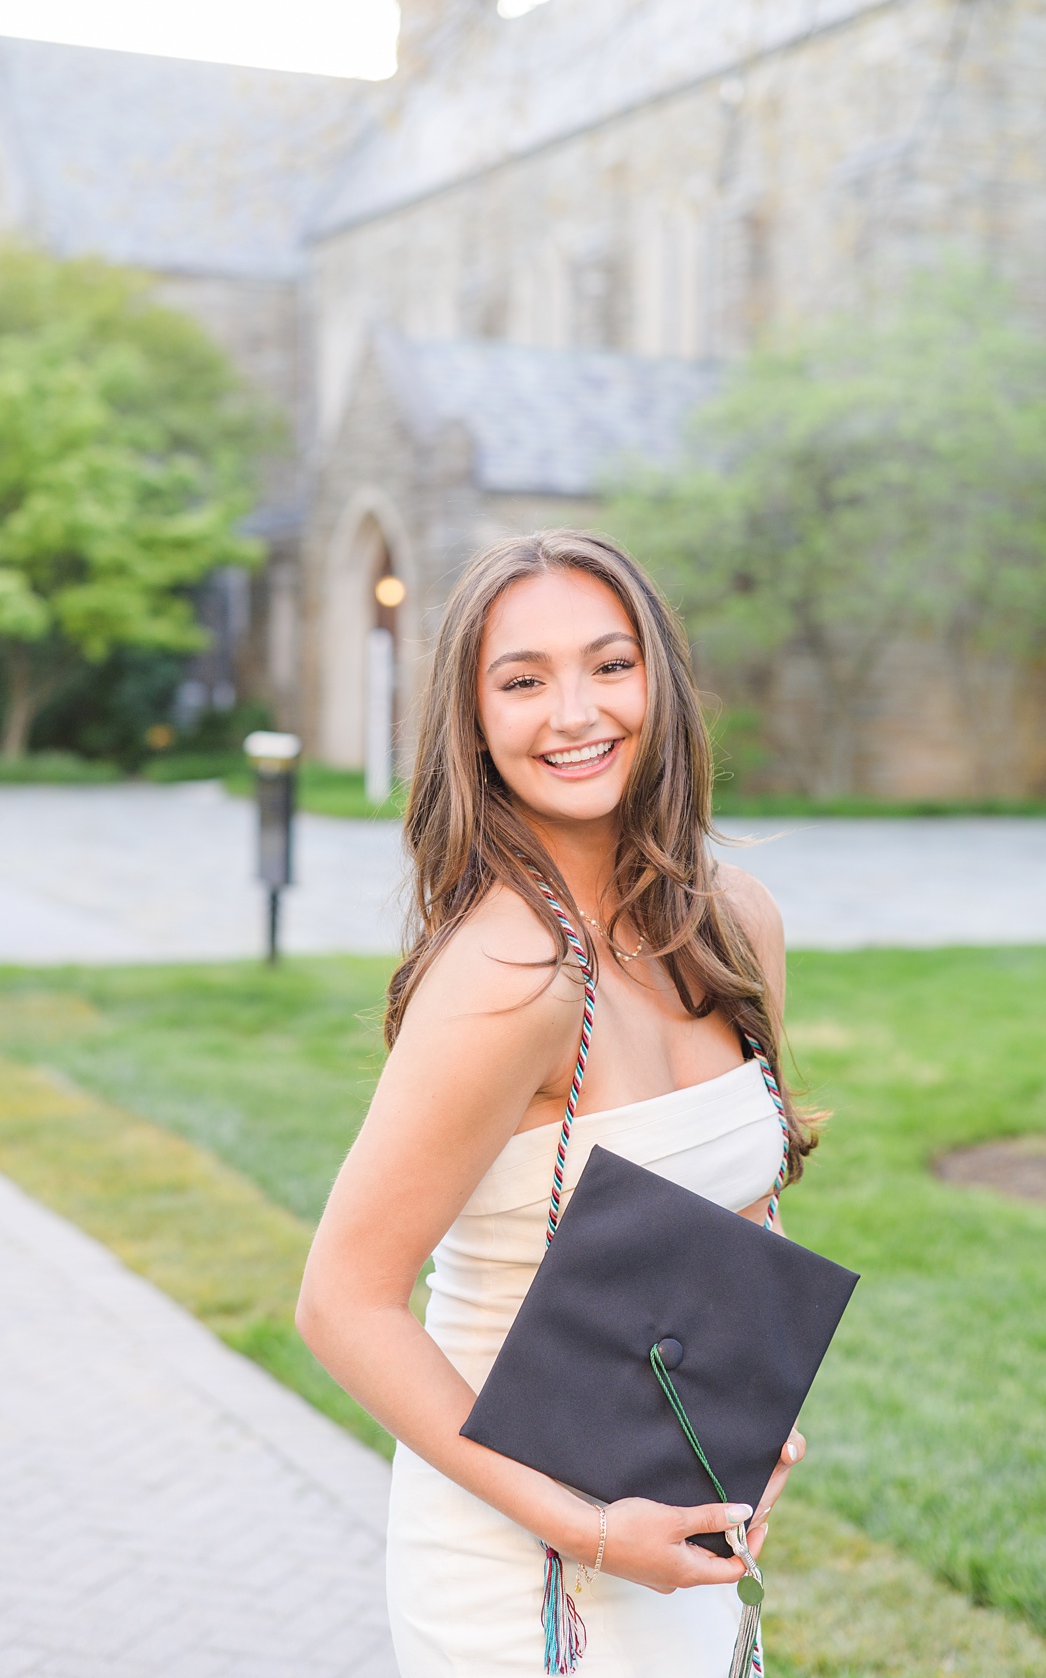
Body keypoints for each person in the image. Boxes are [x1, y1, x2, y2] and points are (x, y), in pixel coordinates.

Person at [297, 530, 824, 1675]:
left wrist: (748, 1416)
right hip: (521, 1569)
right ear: (474, 721)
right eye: (523, 680)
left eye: (610, 664)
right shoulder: (506, 978)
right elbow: (343, 1301)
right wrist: (589, 1530)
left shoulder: (739, 921)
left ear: (662, 682)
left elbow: (740, 1214)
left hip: (676, 1509)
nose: (575, 712)